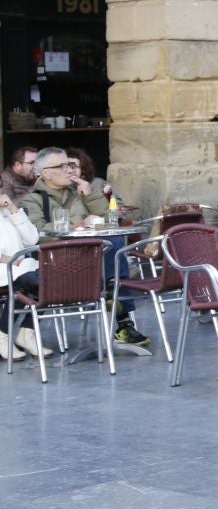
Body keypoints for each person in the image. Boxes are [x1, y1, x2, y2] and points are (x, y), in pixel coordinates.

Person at [21, 147, 150, 347]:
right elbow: (35, 234)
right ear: (45, 173)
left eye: (70, 165)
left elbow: (111, 221)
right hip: (59, 263)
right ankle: (120, 314)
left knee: (112, 242)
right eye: (62, 166)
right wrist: (76, 227)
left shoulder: (80, 191)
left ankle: (113, 296)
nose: (69, 170)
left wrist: (90, 195)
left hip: (92, 260)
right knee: (112, 251)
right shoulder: (33, 199)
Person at [0, 190, 43, 361]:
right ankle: (2, 335)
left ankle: (28, 332)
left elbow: (32, 239)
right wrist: (10, 259)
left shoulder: (6, 212)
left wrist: (12, 209)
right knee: (25, 280)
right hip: (8, 266)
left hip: (19, 265)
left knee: (48, 279)